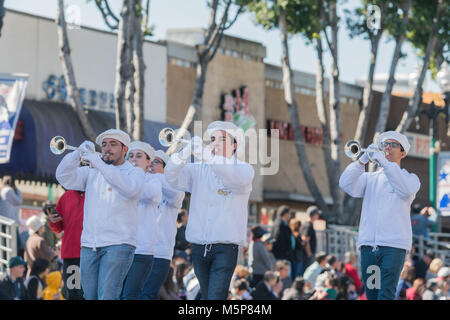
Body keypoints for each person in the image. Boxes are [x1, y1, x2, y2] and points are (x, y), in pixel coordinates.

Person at [165, 121, 254, 300]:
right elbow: (170, 177)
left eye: (221, 139)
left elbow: (229, 175)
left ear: (234, 144)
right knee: (207, 297)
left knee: (215, 297)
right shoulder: (198, 169)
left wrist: (204, 154)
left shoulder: (244, 169)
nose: (214, 143)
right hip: (198, 247)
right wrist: (185, 152)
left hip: (225, 248)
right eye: (212, 139)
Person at [55, 129, 146, 300]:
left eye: (113, 144)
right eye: (104, 145)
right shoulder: (92, 172)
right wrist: (76, 154)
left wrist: (99, 164)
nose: (106, 148)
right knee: (89, 296)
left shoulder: (134, 172)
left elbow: (130, 190)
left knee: (108, 296)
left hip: (119, 244)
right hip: (90, 245)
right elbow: (63, 176)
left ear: (125, 149)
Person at [339, 131, 420, 300]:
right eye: (385, 145)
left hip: (393, 247)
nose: (387, 148)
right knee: (372, 294)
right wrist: (362, 160)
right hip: (369, 246)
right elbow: (345, 183)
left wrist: (382, 160)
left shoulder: (410, 179)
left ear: (403, 153)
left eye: (393, 145)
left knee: (386, 294)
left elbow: (403, 190)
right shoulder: (370, 178)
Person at [141, 150, 185, 300]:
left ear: (166, 168)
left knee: (147, 294)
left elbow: (176, 197)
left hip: (159, 252)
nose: (151, 164)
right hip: (138, 250)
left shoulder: (173, 186)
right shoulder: (142, 182)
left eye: (156, 161)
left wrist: (157, 177)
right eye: (149, 161)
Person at [121, 142, 162, 300]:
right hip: (121, 246)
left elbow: (142, 192)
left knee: (130, 295)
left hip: (141, 249)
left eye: (139, 156)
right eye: (130, 156)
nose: (134, 159)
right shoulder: (121, 179)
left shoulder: (154, 182)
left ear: (149, 162)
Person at [48, 190, 85, 300]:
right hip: (71, 255)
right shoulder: (65, 197)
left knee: (86, 293)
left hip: (90, 254)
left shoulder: (95, 193)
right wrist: (53, 221)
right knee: (72, 293)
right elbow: (58, 227)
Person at [0, 175, 23, 260]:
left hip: (5, 220)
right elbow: (19, 201)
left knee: (5, 244)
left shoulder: (3, 190)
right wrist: (17, 190)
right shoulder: (8, 190)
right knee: (16, 245)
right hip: (10, 222)